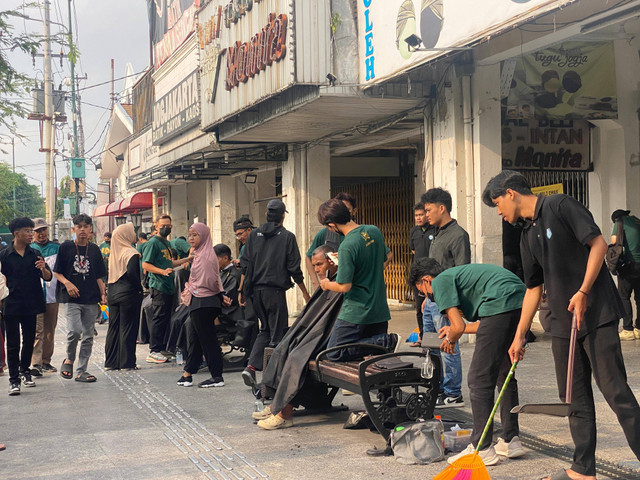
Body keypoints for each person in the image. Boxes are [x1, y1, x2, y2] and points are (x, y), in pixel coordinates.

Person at [483, 170, 640, 480]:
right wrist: (518, 337)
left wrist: (582, 292)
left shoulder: (561, 205)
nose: (498, 211)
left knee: (615, 392)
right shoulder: (526, 234)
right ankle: (583, 469)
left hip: (596, 315)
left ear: (510, 193)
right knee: (573, 397)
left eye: (498, 203)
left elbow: (598, 245)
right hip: (562, 325)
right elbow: (533, 288)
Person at [410, 258, 526, 466]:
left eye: (422, 292)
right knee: (503, 373)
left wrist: (450, 339)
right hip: (517, 300)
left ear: (426, 280)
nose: (427, 298)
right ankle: (510, 440)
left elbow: (459, 326)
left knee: (479, 379)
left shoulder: (440, 282)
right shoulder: (459, 276)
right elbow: (489, 323)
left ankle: (482, 448)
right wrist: (452, 332)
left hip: (500, 303)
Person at [256, 245, 343, 430]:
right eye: (314, 265)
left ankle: (284, 414)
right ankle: (275, 406)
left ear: (332, 261)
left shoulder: (340, 283)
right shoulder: (328, 282)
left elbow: (328, 320)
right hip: (315, 332)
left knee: (297, 356)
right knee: (282, 347)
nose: (317, 269)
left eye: (319, 264)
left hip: (326, 336)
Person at [239, 199, 311, 388]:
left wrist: (242, 291)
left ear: (266, 216)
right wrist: (305, 292)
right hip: (275, 292)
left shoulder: (253, 235)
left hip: (255, 292)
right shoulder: (287, 237)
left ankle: (251, 367)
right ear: (283, 216)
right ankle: (271, 380)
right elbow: (294, 267)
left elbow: (244, 264)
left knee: (265, 330)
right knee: (278, 334)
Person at [317, 199, 399, 361]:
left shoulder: (347, 245)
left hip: (357, 311)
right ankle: (382, 345)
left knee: (334, 352)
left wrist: (326, 284)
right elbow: (384, 257)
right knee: (377, 361)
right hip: (379, 308)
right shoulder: (373, 231)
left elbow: (344, 286)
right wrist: (348, 262)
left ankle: (386, 341)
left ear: (332, 224)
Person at [422, 187, 470, 408]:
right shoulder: (436, 233)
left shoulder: (458, 235)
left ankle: (453, 392)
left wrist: (456, 306)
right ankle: (437, 387)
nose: (426, 214)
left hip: (447, 303)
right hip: (431, 301)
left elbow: (462, 271)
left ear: (442, 208)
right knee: (431, 345)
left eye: (429, 210)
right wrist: (426, 297)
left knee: (448, 345)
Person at [0, 217, 52, 395]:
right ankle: (14, 380)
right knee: (13, 342)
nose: (32, 234)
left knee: (29, 340)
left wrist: (43, 268)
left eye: (32, 231)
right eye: (28, 231)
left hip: (32, 302)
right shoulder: (4, 255)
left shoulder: (35, 254)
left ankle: (25, 371)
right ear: (16, 234)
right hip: (12, 303)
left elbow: (47, 277)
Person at [54, 214, 106, 383]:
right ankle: (69, 359)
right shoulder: (66, 247)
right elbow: (57, 271)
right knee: (74, 331)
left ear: (90, 229)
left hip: (91, 298)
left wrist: (103, 294)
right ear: (74, 229)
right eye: (79, 226)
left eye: (86, 226)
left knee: (88, 335)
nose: (82, 229)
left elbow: (99, 276)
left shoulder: (95, 249)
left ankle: (81, 370)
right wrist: (67, 284)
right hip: (72, 298)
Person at [176, 222, 226, 388]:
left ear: (203, 236)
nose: (191, 238)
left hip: (204, 300)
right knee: (197, 338)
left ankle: (217, 376)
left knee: (207, 340)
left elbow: (210, 280)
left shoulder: (205, 256)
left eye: (195, 235)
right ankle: (188, 374)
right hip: (201, 301)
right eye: (189, 235)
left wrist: (196, 288)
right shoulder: (200, 253)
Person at [141, 215, 193, 364]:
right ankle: (154, 350)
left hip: (169, 286)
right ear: (156, 227)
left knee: (167, 317)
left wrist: (187, 259)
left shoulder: (167, 243)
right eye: (163, 225)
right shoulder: (152, 243)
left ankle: (163, 348)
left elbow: (170, 262)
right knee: (158, 317)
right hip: (159, 285)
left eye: (168, 225)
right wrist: (161, 271)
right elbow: (146, 264)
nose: (166, 228)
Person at [104, 223, 143, 371]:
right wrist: (139, 289)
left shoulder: (114, 253)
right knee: (128, 327)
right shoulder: (130, 252)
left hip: (113, 292)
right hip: (128, 293)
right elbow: (133, 274)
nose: (134, 234)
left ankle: (111, 362)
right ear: (125, 235)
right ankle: (127, 363)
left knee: (113, 327)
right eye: (133, 231)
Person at [29, 218, 60, 375]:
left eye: (43, 230)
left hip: (52, 294)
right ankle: (36, 363)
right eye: (37, 231)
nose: (41, 234)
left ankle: (46, 361)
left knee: (49, 331)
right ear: (33, 233)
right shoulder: (30, 249)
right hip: (35, 296)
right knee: (36, 330)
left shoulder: (57, 248)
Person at [409, 202, 436, 347]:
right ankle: (422, 336)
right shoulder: (414, 231)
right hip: (418, 276)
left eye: (421, 215)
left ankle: (436, 337)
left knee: (433, 306)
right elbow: (413, 250)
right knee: (420, 308)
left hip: (431, 275)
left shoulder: (435, 230)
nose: (418, 218)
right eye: (416, 215)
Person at [610, 209, 640, 341]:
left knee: (624, 296)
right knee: (639, 298)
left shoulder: (619, 222)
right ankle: (638, 328)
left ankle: (627, 329)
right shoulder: (637, 222)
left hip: (628, 264)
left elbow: (614, 241)